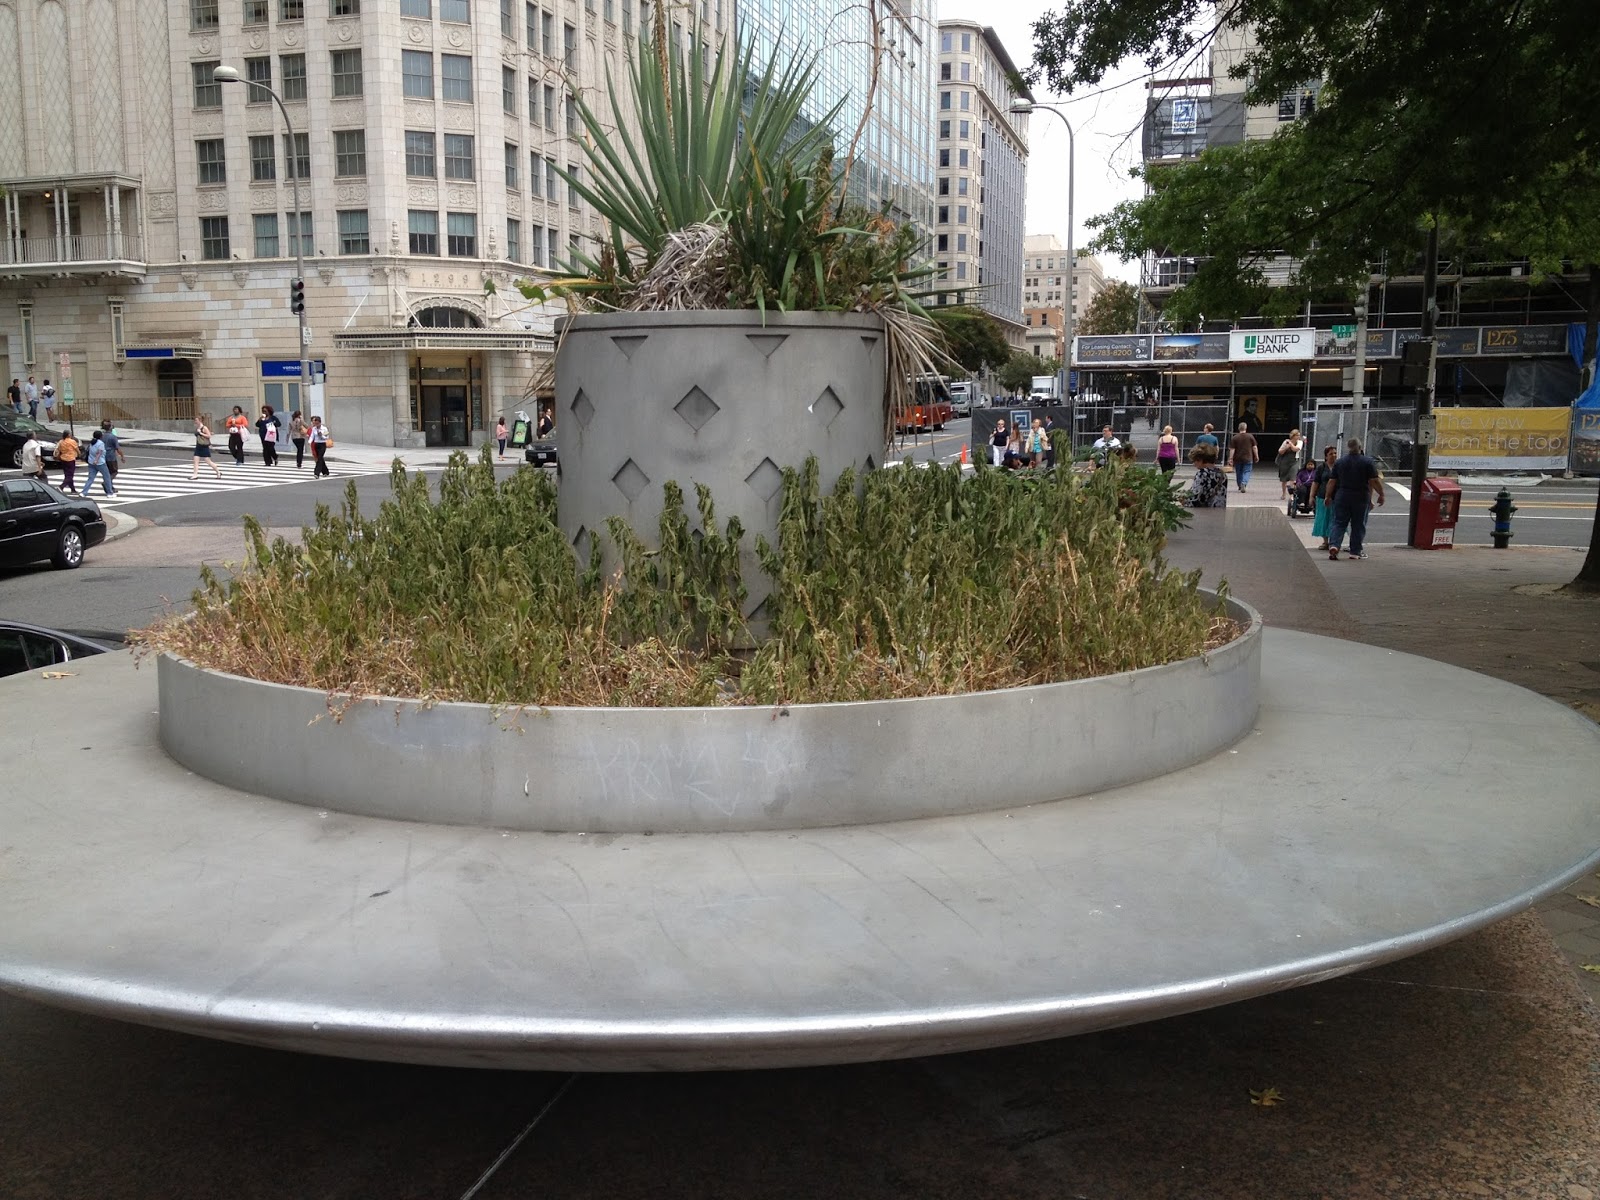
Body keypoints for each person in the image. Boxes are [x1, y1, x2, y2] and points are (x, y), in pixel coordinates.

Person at [1325, 437, 1385, 561]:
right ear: (1360, 447)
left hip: (1342, 495)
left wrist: (1328, 496)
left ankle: (1334, 545)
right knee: (1358, 524)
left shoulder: (1340, 462)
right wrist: (1381, 494)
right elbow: (1373, 481)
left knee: (1339, 522)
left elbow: (1332, 481)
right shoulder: (1367, 462)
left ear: (1348, 447)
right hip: (1360, 496)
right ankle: (1355, 551)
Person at [1311, 445, 1337, 549]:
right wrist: (1311, 496)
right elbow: (1316, 482)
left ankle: (1334, 541)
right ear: (1326, 456)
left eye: (1335, 453)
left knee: (1334, 519)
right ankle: (1325, 542)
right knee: (1323, 519)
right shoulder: (1321, 468)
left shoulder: (1339, 467)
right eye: (1331, 454)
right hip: (1322, 497)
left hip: (1336, 497)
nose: (1333, 455)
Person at [80, 430, 115, 497]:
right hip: (100, 463)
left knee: (90, 478)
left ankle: (84, 492)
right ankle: (110, 493)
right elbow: (99, 452)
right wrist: (96, 460)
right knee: (107, 477)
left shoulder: (92, 442)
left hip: (91, 462)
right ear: (100, 436)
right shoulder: (100, 443)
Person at [1228, 422, 1259, 492]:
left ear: (1239, 428)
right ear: (1246, 428)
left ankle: (1239, 485)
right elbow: (1254, 447)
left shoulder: (1235, 437)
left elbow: (1232, 449)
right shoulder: (1250, 436)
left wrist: (1230, 458)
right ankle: (1244, 483)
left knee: (1239, 472)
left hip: (1238, 458)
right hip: (1248, 457)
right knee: (1247, 471)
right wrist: (1256, 456)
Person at [1275, 429, 1304, 499]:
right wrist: (1286, 447)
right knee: (1284, 479)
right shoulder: (1286, 442)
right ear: (1293, 436)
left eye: (1299, 435)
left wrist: (1291, 445)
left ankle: (1291, 495)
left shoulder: (1300, 442)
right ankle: (1284, 494)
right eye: (1297, 435)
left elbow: (1296, 449)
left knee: (1293, 478)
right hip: (1285, 462)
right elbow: (1280, 451)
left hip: (1294, 461)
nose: (1298, 437)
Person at [191, 415, 223, 479]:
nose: (195, 421)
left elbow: (209, 436)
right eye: (195, 420)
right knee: (195, 461)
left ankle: (218, 472)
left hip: (204, 446)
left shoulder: (204, 428)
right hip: (198, 446)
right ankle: (195, 475)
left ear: (200, 420)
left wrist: (201, 433)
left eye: (196, 420)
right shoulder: (197, 428)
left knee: (208, 461)